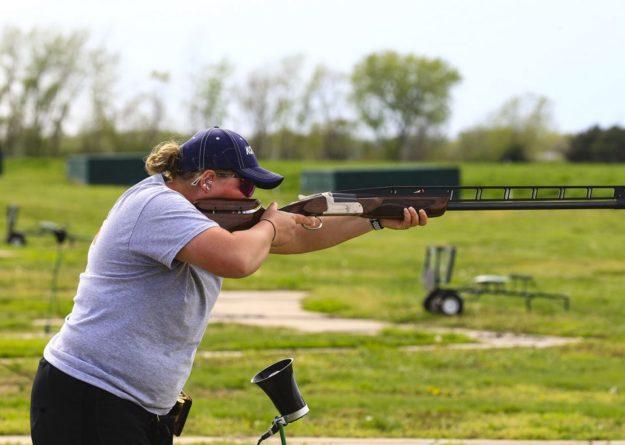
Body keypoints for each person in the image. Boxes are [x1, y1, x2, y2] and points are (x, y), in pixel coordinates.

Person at [30, 127, 428, 444]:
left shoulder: (198, 213)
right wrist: (271, 224)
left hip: (134, 406)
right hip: (88, 398)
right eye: (246, 186)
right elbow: (239, 259)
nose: (251, 197)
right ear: (205, 180)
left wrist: (375, 218)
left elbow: (300, 236)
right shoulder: (157, 207)